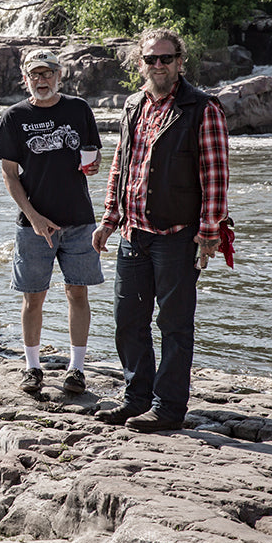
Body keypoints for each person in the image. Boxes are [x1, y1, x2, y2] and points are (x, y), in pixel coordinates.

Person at [91, 28, 230, 432]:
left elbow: (215, 176)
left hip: (178, 235)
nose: (158, 65)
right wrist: (109, 220)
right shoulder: (134, 104)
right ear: (140, 63)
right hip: (134, 234)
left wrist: (208, 234)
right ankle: (136, 399)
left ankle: (169, 407)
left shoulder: (203, 108)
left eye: (166, 58)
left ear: (180, 63)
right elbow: (121, 164)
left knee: (174, 324)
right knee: (127, 320)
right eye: (151, 59)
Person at [0, 49, 104, 395]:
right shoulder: (14, 117)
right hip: (33, 225)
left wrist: (95, 163)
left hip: (79, 219)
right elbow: (10, 176)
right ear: (26, 79)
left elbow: (92, 154)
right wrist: (34, 217)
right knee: (33, 298)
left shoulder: (79, 109)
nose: (42, 80)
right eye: (35, 74)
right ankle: (32, 367)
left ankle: (77, 369)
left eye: (48, 73)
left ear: (59, 75)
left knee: (77, 293)